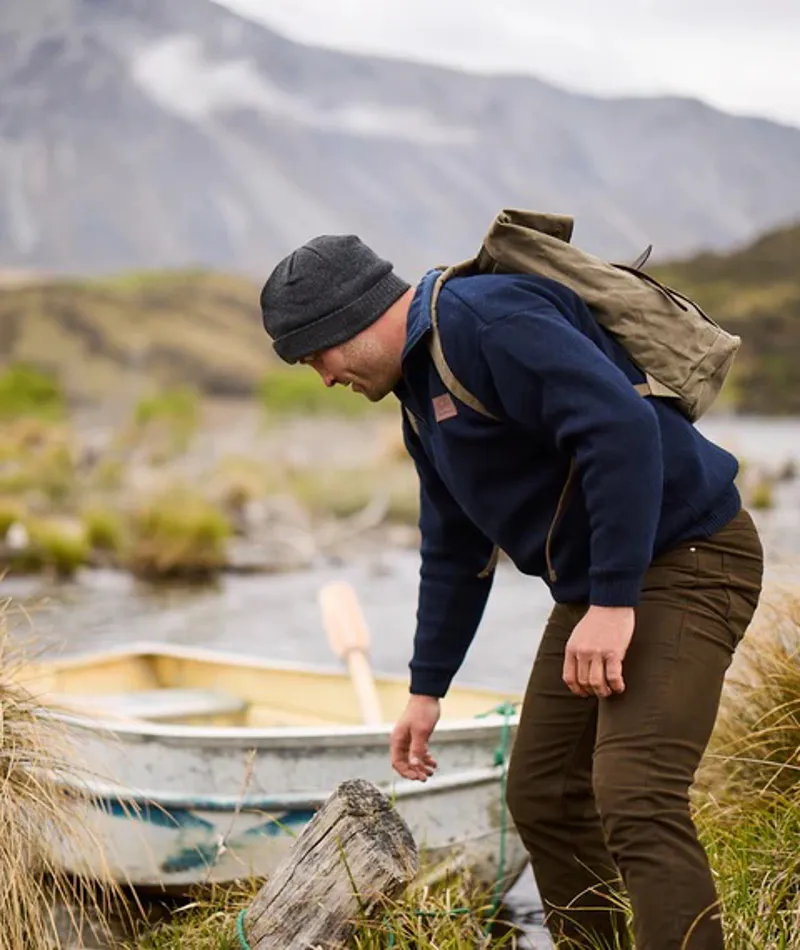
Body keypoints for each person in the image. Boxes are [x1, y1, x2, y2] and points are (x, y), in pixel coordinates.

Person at [259, 233, 764, 950]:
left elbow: (621, 430)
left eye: (315, 355)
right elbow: (454, 545)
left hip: (690, 556)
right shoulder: (418, 388)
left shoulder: (484, 322)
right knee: (545, 794)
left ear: (349, 318)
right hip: (605, 585)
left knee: (636, 793)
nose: (322, 376)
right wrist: (426, 688)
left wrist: (614, 603)